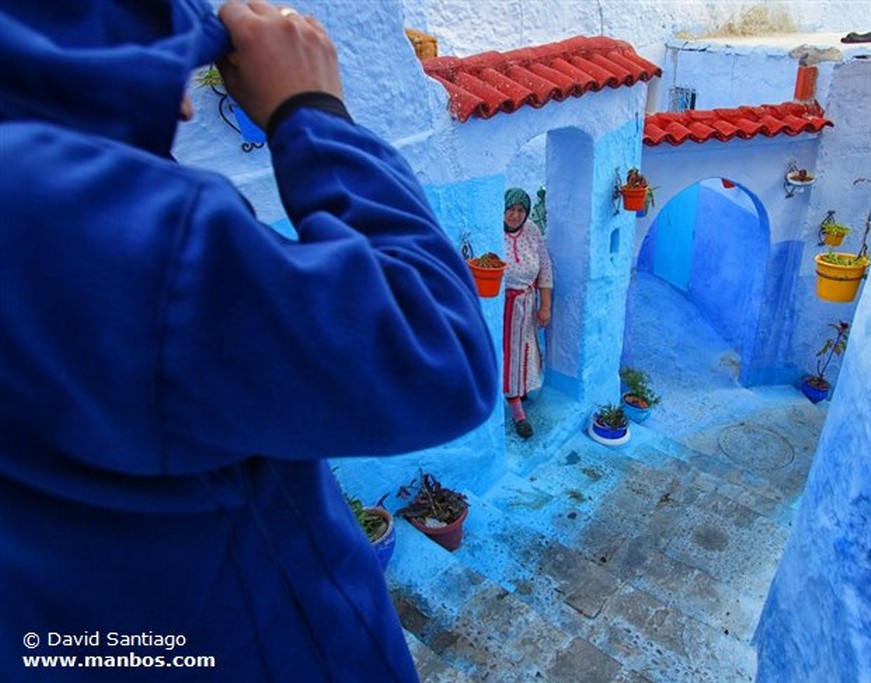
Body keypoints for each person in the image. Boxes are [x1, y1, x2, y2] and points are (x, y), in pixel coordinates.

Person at [0, 1, 496, 680]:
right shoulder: (97, 221)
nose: (178, 106)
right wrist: (313, 113)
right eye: (166, 64)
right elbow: (440, 351)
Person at [502, 188, 554, 439]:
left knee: (525, 350)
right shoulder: (492, 231)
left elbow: (545, 269)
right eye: (510, 209)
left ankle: (519, 388)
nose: (514, 215)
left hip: (527, 303)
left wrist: (545, 306)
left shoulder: (532, 230)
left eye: (520, 210)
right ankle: (517, 411)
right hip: (504, 307)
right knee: (510, 354)